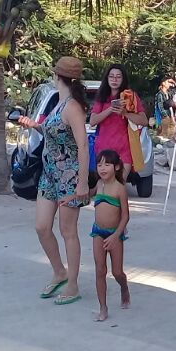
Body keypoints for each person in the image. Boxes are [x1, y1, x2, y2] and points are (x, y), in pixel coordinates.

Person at [19, 57, 90, 305]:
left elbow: (83, 145)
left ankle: (73, 284)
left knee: (68, 231)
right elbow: (55, 134)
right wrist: (35, 125)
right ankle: (60, 271)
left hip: (69, 177)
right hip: (49, 174)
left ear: (56, 76)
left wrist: (82, 183)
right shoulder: (59, 102)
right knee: (42, 226)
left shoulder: (72, 107)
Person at [89, 65, 150, 189]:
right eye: (111, 76)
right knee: (104, 187)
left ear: (123, 79)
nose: (114, 80)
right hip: (104, 148)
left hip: (124, 148)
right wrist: (110, 109)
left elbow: (144, 121)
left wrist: (125, 113)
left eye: (118, 77)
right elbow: (92, 121)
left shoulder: (130, 96)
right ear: (107, 79)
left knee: (118, 186)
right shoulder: (102, 97)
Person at [89, 149, 131, 322]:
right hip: (98, 232)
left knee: (117, 272)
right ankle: (103, 307)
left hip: (115, 234)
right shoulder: (99, 184)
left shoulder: (120, 188)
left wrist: (116, 236)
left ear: (117, 167)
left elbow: (125, 216)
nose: (102, 168)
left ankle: (124, 287)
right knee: (100, 270)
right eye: (99, 165)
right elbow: (86, 196)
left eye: (107, 164)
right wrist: (71, 197)